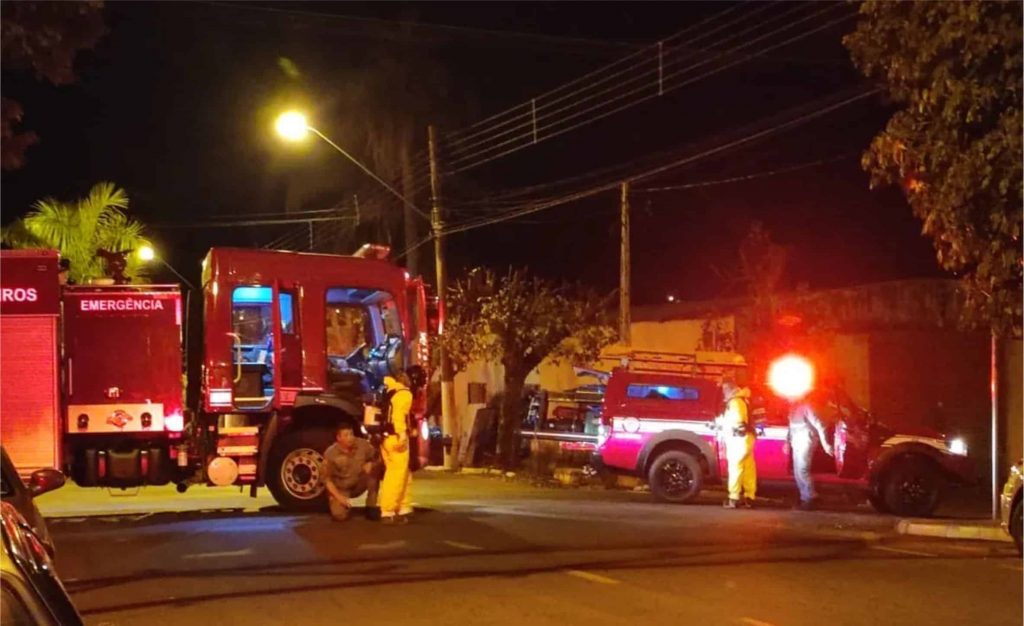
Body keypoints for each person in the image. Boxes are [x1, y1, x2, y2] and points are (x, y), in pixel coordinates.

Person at [323, 423, 380, 521]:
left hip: (359, 482)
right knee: (339, 516)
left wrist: (372, 463)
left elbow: (377, 456)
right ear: (338, 438)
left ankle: (371, 506)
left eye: (351, 434)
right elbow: (326, 479)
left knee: (374, 472)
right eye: (346, 435)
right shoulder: (330, 453)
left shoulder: (363, 444)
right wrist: (339, 497)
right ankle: (338, 502)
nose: (350, 438)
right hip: (342, 487)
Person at [379, 371, 415, 524]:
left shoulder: (388, 392)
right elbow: (399, 416)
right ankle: (388, 510)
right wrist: (402, 434)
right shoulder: (404, 394)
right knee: (396, 476)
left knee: (401, 474)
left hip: (385, 439)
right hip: (396, 437)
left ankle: (402, 508)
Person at [788, 399, 833, 511]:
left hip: (806, 440)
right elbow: (791, 427)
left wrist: (825, 444)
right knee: (797, 471)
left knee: (803, 470)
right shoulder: (793, 408)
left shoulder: (807, 407)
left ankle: (810, 498)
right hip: (797, 441)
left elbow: (820, 425)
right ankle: (805, 497)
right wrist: (787, 442)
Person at [720, 380, 756, 509]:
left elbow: (738, 421)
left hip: (738, 439)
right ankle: (749, 497)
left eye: (724, 389)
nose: (723, 392)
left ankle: (733, 498)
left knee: (735, 468)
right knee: (748, 469)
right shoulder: (743, 400)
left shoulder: (735, 402)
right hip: (747, 439)